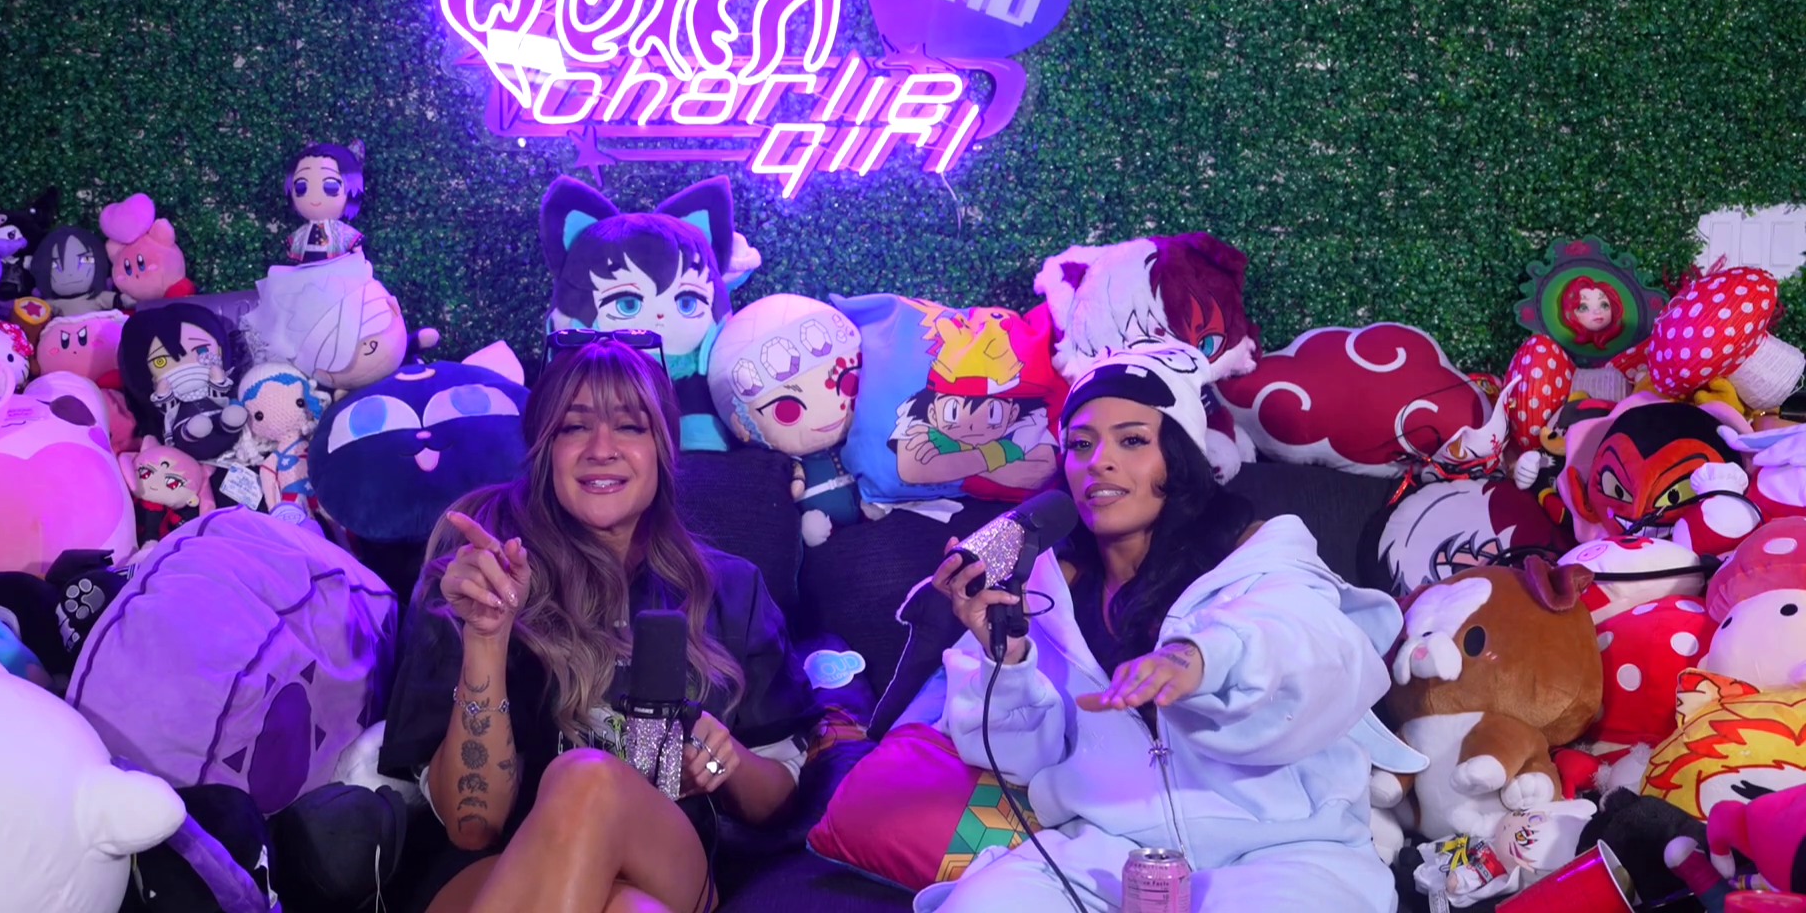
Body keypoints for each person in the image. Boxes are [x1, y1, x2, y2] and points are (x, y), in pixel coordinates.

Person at [917, 347, 1409, 913]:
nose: (1099, 462)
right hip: (1106, 851)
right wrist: (1006, 656)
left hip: (1281, 852)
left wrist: (1199, 659)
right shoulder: (1041, 590)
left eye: (1131, 440)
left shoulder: (1258, 558)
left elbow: (1308, 641)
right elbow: (1018, 760)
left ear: (1177, 458)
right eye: (1081, 444)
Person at [378, 334, 819, 913]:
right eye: (574, 427)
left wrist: (721, 758)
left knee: (589, 779)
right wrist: (486, 637)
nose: (601, 449)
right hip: (498, 869)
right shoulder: (479, 573)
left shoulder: (732, 590)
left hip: (667, 859)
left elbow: (776, 804)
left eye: (630, 427)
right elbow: (473, 827)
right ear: (545, 448)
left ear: (663, 448)